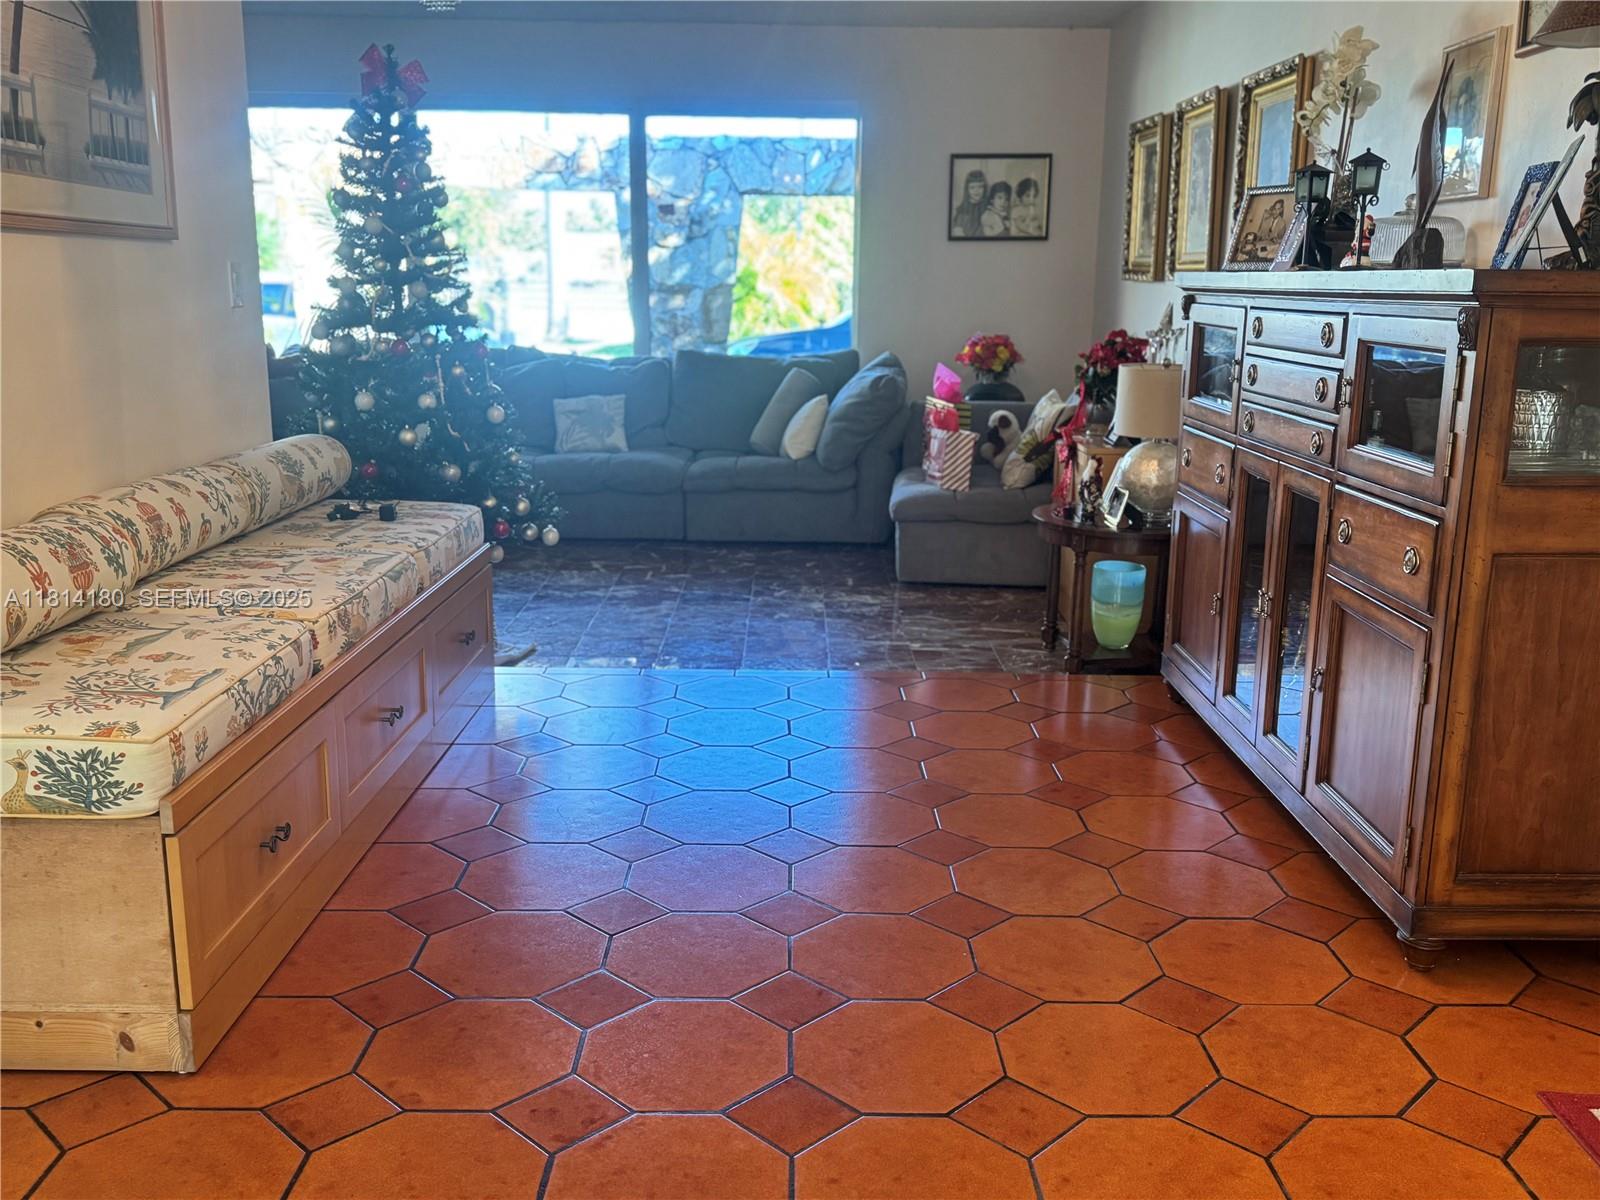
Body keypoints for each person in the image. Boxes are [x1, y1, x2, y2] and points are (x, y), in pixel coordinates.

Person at [952, 169, 987, 237]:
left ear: (984, 188)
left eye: (980, 187)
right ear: (967, 190)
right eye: (972, 187)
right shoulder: (962, 210)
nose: (976, 191)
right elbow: (958, 230)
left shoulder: (987, 206)